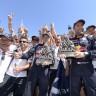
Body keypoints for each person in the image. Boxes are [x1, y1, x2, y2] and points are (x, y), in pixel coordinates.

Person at [69, 19, 96, 96]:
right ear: (74, 28)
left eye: (82, 25)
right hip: (74, 69)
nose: (80, 27)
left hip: (88, 68)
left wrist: (85, 53)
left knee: (92, 91)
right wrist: (64, 55)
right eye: (78, 25)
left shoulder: (90, 38)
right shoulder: (70, 40)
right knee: (74, 92)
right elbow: (66, 54)